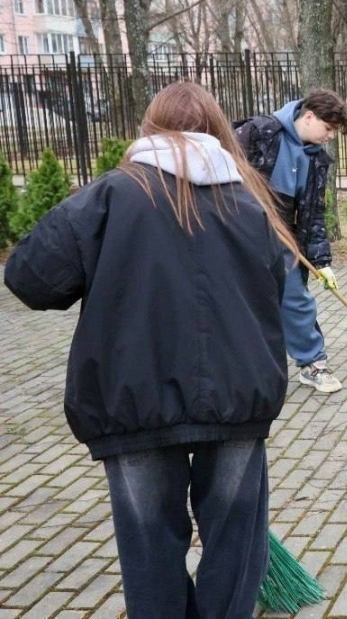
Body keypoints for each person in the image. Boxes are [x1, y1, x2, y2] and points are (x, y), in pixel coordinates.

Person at [4, 81, 296, 617]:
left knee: (149, 545)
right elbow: (272, 293)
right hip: (237, 393)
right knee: (235, 539)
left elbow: (30, 279)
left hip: (131, 396)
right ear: (217, 131)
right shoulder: (250, 203)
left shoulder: (110, 195)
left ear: (149, 128)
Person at [235, 89, 347, 393]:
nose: (330, 136)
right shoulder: (258, 132)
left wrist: (322, 262)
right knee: (240, 299)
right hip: (240, 227)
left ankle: (313, 363)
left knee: (295, 296)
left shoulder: (317, 159)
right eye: (328, 129)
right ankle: (240, 365)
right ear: (309, 116)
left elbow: (314, 213)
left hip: (284, 232)